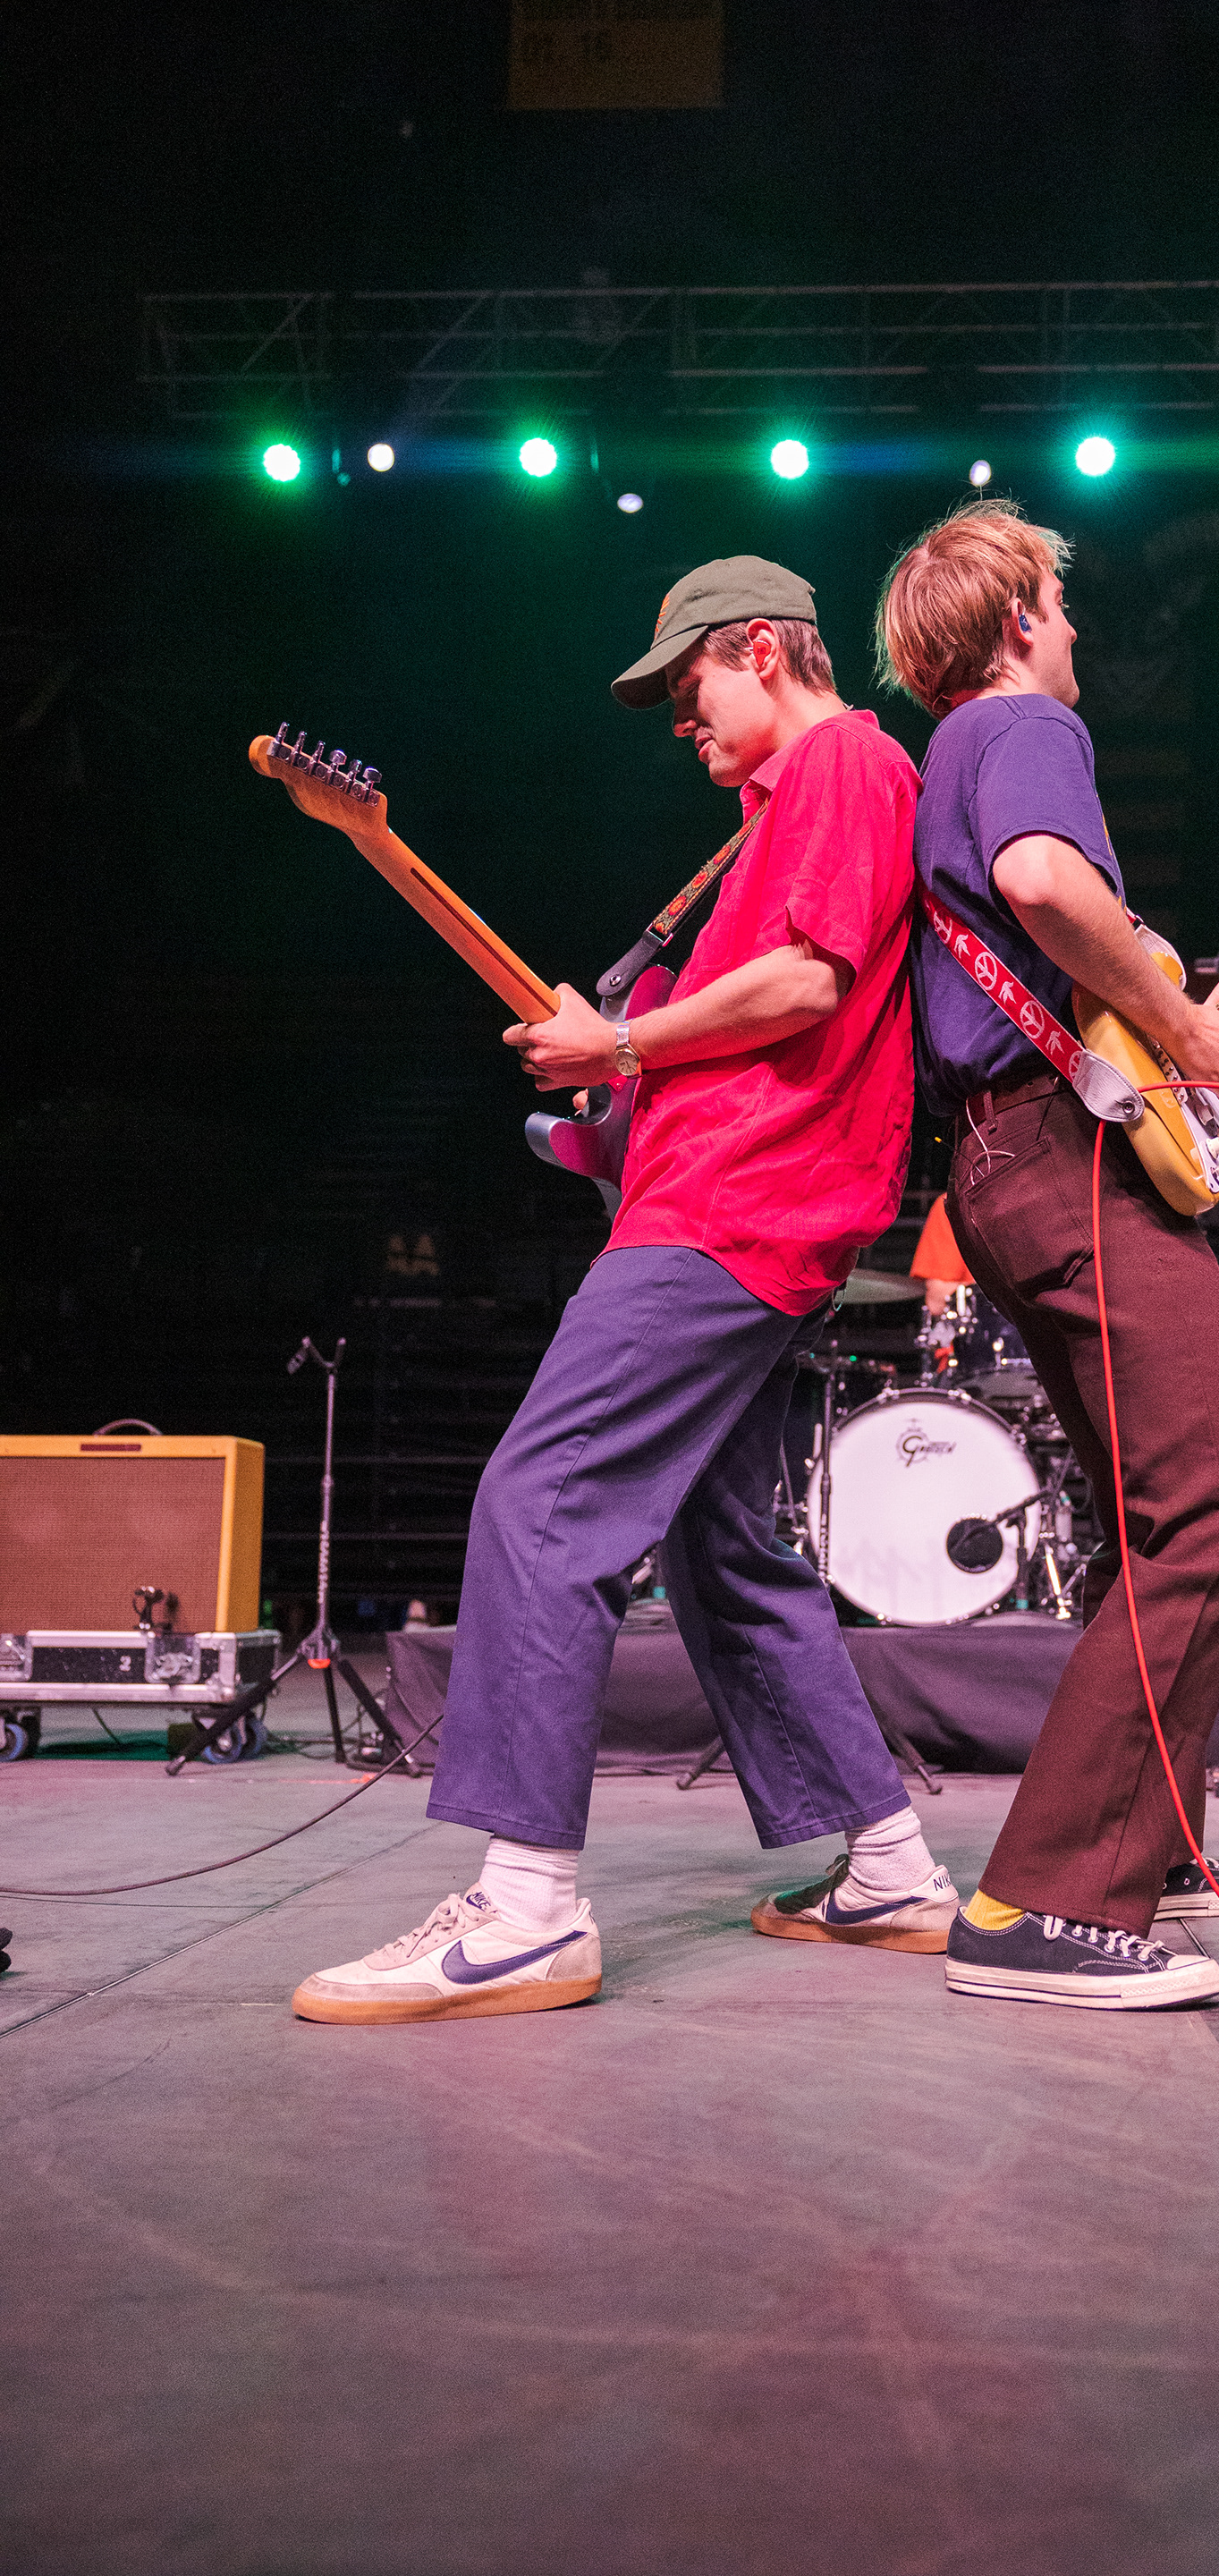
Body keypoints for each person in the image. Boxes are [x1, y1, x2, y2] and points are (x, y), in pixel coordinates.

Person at [293, 555, 955, 2026]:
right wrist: (604, 1107)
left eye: (692, 684)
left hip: (730, 1218)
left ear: (770, 649)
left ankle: (526, 1910)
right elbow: (747, 1025)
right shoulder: (766, 822)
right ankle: (894, 1867)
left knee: (543, 1499)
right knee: (728, 1554)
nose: (678, 719)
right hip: (742, 1208)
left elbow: (806, 987)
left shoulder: (845, 758)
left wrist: (629, 1054)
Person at [876, 498, 1219, 2012]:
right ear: (1020, 619)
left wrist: (1167, 1012)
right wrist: (1187, 1031)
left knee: (1139, 1516)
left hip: (1000, 1163)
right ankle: (1045, 1902)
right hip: (1068, 1156)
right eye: (1062, 599)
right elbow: (1046, 885)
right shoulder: (1026, 728)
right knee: (1212, 1516)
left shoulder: (943, 761)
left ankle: (1147, 1844)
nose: (1077, 626)